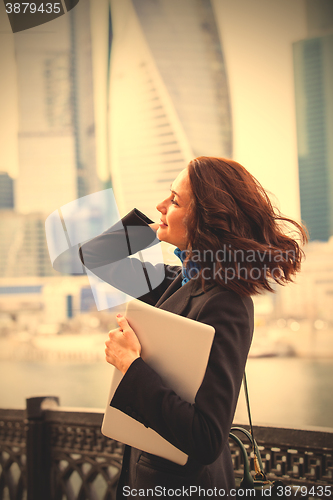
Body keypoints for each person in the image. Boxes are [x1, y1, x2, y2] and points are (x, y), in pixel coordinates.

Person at [79, 157, 307, 499]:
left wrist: (130, 366)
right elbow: (96, 255)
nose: (159, 205)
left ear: (207, 218)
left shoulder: (226, 302)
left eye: (174, 201)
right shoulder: (182, 281)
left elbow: (207, 438)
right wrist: (158, 222)